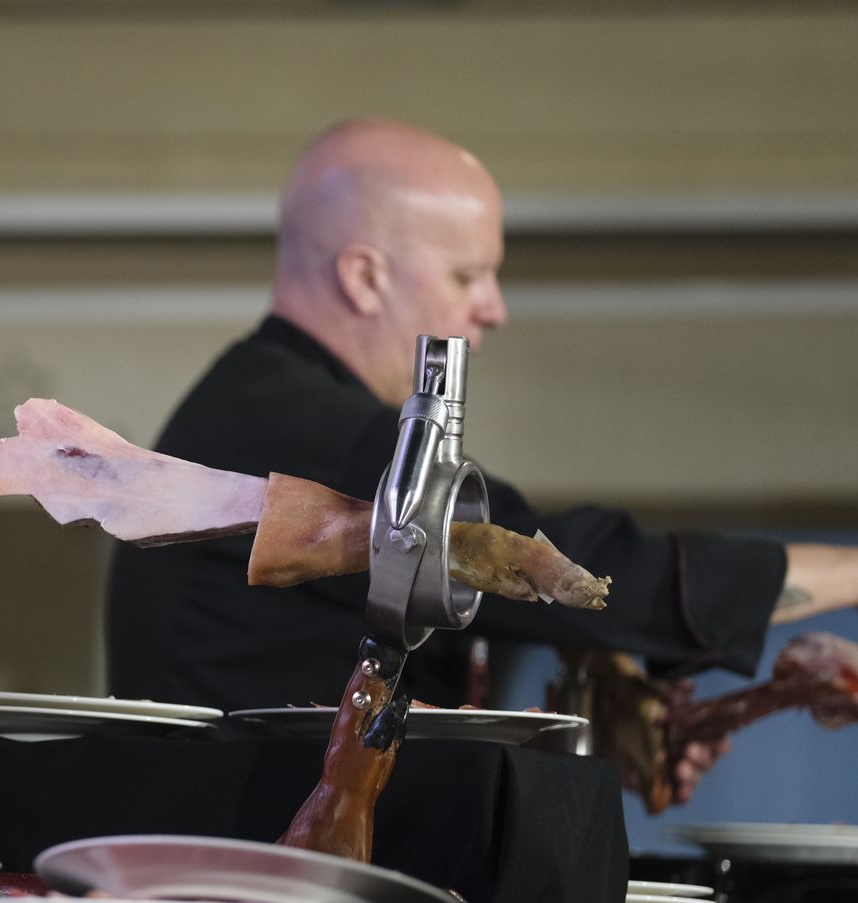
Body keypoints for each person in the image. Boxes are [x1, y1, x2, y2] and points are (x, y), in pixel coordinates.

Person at [105, 117, 858, 804]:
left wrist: (613, 689)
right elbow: (574, 568)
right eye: (469, 276)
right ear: (365, 275)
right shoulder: (316, 432)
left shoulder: (259, 400)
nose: (493, 308)